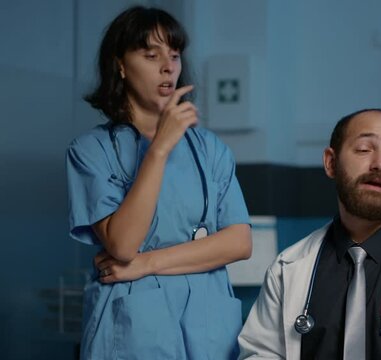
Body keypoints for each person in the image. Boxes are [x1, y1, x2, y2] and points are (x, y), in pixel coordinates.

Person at [65, 6, 252, 359]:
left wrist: (145, 264)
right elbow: (122, 245)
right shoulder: (91, 150)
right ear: (120, 64)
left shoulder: (209, 149)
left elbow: (239, 242)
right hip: (134, 332)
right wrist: (160, 148)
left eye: (175, 55)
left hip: (210, 330)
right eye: (151, 55)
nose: (169, 67)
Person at [238, 109, 381, 360]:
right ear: (331, 163)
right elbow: (259, 354)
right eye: (364, 149)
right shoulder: (288, 268)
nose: (380, 164)